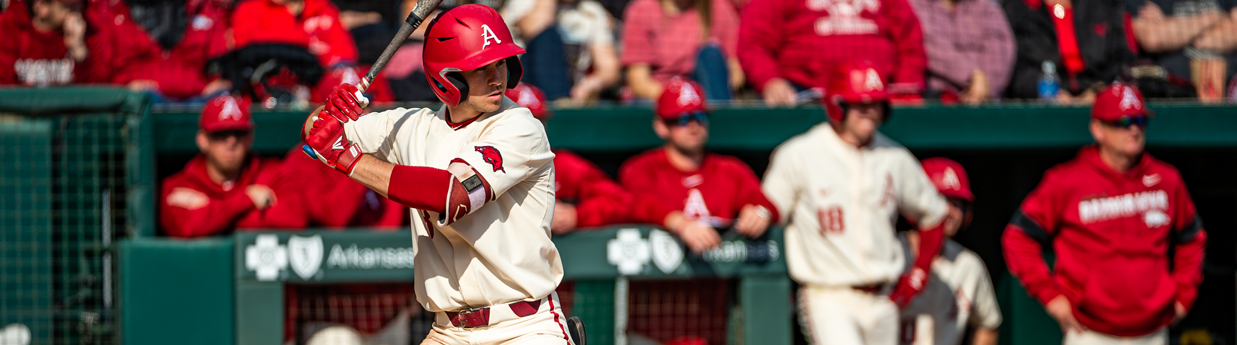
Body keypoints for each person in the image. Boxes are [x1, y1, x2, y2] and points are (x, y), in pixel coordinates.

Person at [299, 5, 576, 344]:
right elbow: (316, 133)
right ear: (447, 77)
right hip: (448, 331)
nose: (496, 77)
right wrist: (330, 113)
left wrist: (350, 159)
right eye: (480, 68)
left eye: (501, 62)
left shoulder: (519, 125)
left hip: (524, 328)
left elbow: (454, 196)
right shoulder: (411, 126)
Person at [1002, 83, 1206, 344]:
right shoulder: (1066, 181)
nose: (1134, 128)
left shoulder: (1167, 179)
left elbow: (1193, 239)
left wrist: (1183, 297)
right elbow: (1018, 238)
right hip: (1090, 332)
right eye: (1123, 121)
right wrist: (1051, 297)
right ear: (1098, 129)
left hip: (1152, 331)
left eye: (1140, 120)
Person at [761, 62, 949, 345]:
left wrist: (919, 271)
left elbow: (934, 215)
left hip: (883, 297)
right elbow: (770, 212)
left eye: (876, 105)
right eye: (861, 105)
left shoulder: (894, 156)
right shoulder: (799, 153)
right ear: (837, 106)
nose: (871, 112)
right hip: (828, 294)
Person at [619, 77, 779, 254]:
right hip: (658, 276)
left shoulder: (730, 169)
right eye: (683, 119)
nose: (694, 126)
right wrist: (681, 223)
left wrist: (760, 213)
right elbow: (642, 204)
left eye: (700, 117)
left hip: (719, 273)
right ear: (661, 126)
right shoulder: (642, 168)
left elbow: (767, 205)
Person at [161, 94, 307, 238]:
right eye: (221, 134)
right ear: (203, 140)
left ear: (250, 138)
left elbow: (294, 219)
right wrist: (247, 199)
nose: (231, 142)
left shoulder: (273, 174)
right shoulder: (179, 185)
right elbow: (186, 228)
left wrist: (209, 208)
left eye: (239, 133)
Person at [738, 0, 927, 106]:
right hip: (807, 98)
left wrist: (906, 89)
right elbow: (754, 43)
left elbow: (910, 45)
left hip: (878, 96)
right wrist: (770, 81)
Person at [898, 158, 1001, 345]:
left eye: (956, 204)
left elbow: (988, 324)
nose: (948, 211)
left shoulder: (969, 264)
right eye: (940, 200)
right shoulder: (890, 253)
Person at [506, 82, 633, 233]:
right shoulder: (480, 163)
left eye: (538, 121)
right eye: (521, 123)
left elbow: (622, 202)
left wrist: (575, 215)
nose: (532, 130)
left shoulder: (562, 164)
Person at [1001, 0, 1136, 102]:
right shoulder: (1017, 9)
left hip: (1100, 99)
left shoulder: (1104, 6)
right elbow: (1015, 71)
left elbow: (1122, 61)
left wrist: (1099, 91)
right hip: (1045, 104)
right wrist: (1053, 93)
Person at [104, 0, 232, 102]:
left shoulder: (205, 10)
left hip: (196, 101)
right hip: (138, 103)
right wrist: (124, 89)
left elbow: (220, 65)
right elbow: (99, 76)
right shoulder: (112, 12)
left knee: (221, 98)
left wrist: (219, 82)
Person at [621, 0, 742, 101]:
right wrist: (682, 98)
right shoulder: (642, 10)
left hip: (706, 96)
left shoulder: (718, 8)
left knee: (711, 54)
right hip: (659, 97)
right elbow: (639, 82)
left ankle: (720, 122)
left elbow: (736, 73)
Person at [1127, 0, 1237, 102]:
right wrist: (1215, 17)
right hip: (1171, 98)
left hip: (1227, 99)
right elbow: (1152, 38)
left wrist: (1169, 26)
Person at [908, 0, 1015, 103]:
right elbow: (929, 45)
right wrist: (973, 74)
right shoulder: (916, 6)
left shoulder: (989, 11)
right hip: (936, 101)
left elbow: (1000, 56)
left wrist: (984, 87)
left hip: (986, 103)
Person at [0, 0, 112, 86]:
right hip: (20, 113)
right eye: (69, 7)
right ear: (41, 6)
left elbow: (98, 93)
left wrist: (80, 53)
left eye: (80, 3)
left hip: (71, 114)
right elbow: (4, 87)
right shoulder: (10, 27)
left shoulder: (88, 29)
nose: (78, 11)